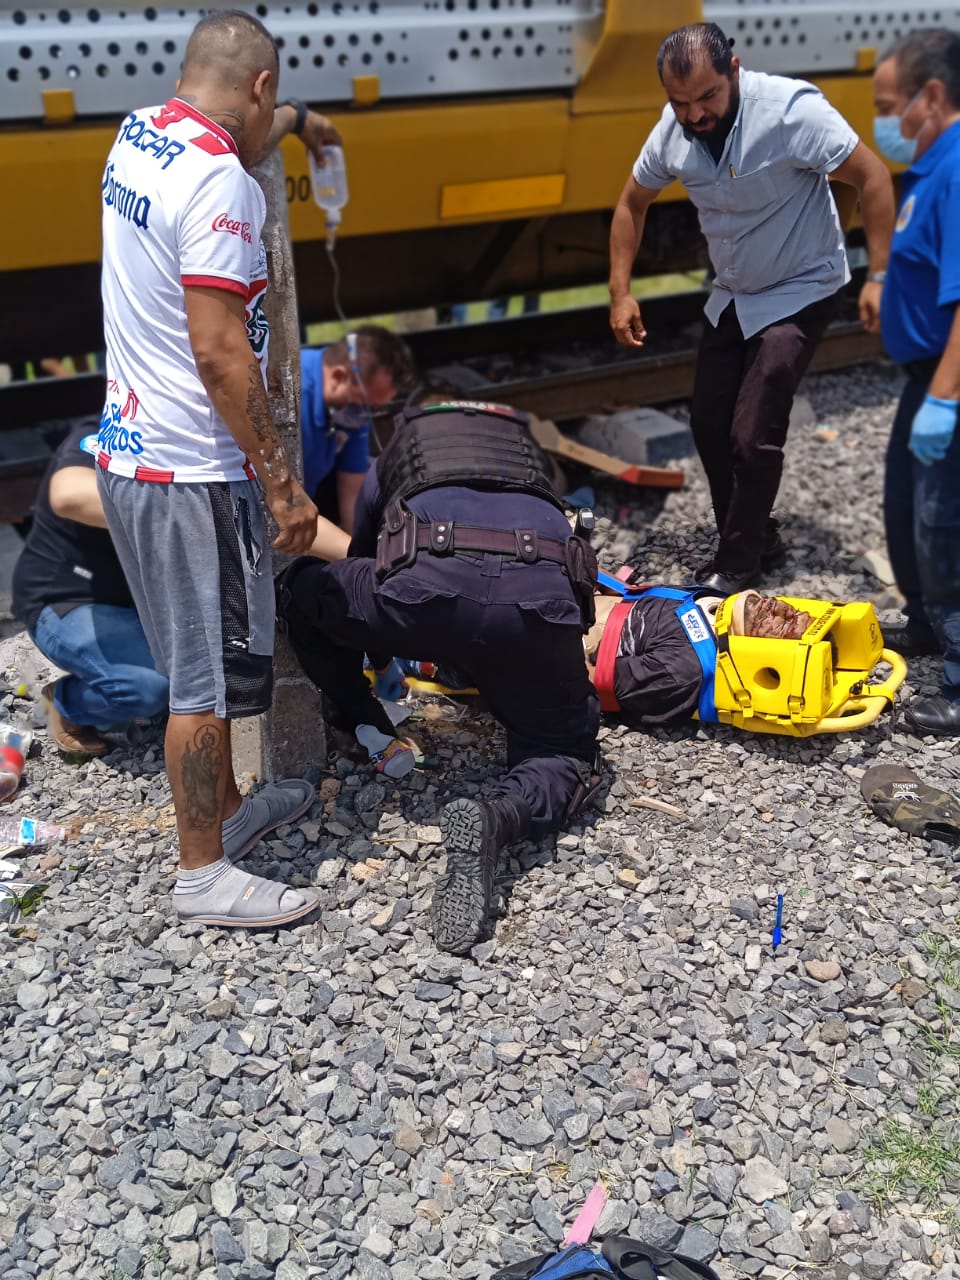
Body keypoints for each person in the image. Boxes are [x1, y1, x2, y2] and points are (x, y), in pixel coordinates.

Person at [96, 9, 349, 928]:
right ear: (259, 88)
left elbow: (252, 125)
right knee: (200, 685)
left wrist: (304, 124)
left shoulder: (140, 136)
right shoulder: (222, 184)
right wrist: (281, 481)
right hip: (189, 471)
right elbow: (221, 353)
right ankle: (201, 874)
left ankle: (231, 817)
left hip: (131, 453)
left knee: (205, 666)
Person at [277, 400, 601, 955]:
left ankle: (362, 726)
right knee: (561, 748)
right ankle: (498, 817)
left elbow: (364, 560)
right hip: (537, 608)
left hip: (422, 599)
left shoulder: (398, 452)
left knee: (308, 588)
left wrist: (378, 656)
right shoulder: (535, 463)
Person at [609, 22, 896, 595]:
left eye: (708, 97)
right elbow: (631, 204)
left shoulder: (791, 112)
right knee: (709, 425)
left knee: (751, 435)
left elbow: (873, 176)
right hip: (735, 291)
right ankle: (757, 534)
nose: (695, 114)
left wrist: (881, 276)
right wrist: (620, 291)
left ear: (734, 70)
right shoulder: (672, 131)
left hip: (802, 286)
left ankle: (738, 565)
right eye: (680, 102)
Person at [873, 29, 960, 735]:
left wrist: (943, 397)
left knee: (943, 523)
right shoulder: (932, 166)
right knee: (904, 503)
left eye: (888, 105)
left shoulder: (959, 168)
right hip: (924, 374)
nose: (883, 121)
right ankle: (928, 623)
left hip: (948, 379)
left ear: (931, 96)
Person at [11, 421, 170, 755]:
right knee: (151, 689)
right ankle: (66, 703)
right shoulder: (111, 431)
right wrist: (179, 515)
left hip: (137, 603)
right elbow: (69, 494)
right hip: (66, 598)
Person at [585, 583, 812, 724]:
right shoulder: (713, 600)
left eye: (786, 624)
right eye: (797, 612)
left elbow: (584, 680)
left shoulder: (683, 670)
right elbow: (619, 588)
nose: (781, 607)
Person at [300, 326, 415, 532]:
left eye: (374, 408)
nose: (365, 416)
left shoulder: (352, 412)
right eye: (363, 403)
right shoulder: (294, 394)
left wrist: (358, 556)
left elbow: (352, 492)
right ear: (338, 376)